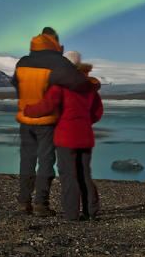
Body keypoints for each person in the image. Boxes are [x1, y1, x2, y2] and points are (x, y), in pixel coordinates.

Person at [12, 27, 91, 217]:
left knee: (27, 160)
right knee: (46, 161)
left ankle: (23, 202)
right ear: (55, 42)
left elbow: (16, 82)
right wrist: (93, 83)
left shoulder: (23, 61)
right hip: (47, 120)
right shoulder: (58, 62)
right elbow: (78, 83)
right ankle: (41, 204)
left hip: (25, 118)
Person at [23, 50, 103, 221]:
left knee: (68, 175)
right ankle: (90, 211)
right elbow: (97, 113)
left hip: (66, 136)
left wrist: (28, 110)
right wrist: (84, 122)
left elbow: (46, 106)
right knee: (84, 174)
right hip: (85, 136)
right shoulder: (90, 86)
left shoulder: (60, 84)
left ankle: (71, 214)